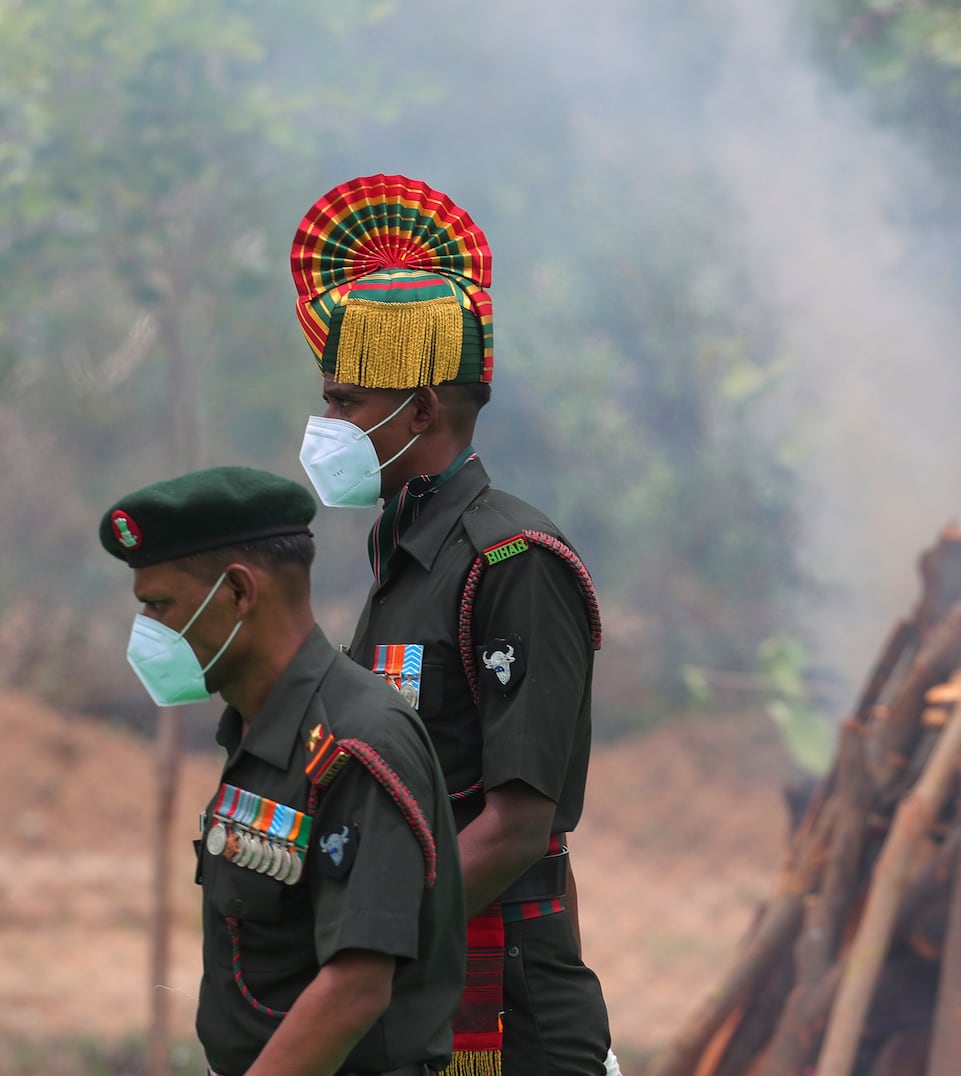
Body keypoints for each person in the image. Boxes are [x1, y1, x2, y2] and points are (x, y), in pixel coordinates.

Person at [291, 174, 614, 1075]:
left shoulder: (512, 560)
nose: (327, 423)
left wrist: (369, 938)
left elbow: (515, 825)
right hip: (418, 987)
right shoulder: (406, 552)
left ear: (421, 409)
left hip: (503, 1011)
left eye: (345, 400)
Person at [100, 466, 465, 1076]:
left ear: (239, 592)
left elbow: (356, 986)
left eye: (159, 606)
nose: (147, 634)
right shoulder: (257, 730)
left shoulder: (355, 741)